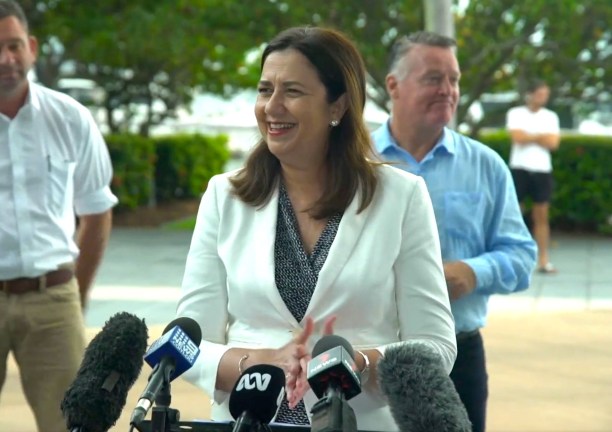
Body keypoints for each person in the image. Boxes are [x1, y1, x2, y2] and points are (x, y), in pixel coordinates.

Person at [176, 26, 456, 431]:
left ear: (337, 106)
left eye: (292, 91)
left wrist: (352, 365)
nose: (272, 106)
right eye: (264, 89)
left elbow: (436, 349)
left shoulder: (402, 197)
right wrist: (258, 363)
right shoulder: (225, 196)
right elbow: (189, 343)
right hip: (246, 422)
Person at [372, 31, 537, 432]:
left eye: (454, 79)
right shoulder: (355, 162)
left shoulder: (486, 165)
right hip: (370, 354)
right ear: (393, 85)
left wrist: (473, 271)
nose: (447, 90)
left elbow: (521, 254)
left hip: (460, 355)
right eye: (433, 78)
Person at [0, 1, 118, 431]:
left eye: (13, 45)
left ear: (31, 48)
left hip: (53, 300)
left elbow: (97, 210)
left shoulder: (70, 118)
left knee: (73, 424)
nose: (5, 59)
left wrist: (76, 293)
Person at [506, 80, 561, 274]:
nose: (543, 98)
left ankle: (544, 260)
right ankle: (513, 257)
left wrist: (530, 136)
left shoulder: (551, 116)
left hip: (542, 170)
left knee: (541, 216)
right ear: (530, 94)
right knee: (514, 214)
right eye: (540, 94)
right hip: (520, 169)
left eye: (545, 94)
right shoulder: (516, 113)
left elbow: (553, 142)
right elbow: (517, 138)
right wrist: (540, 137)